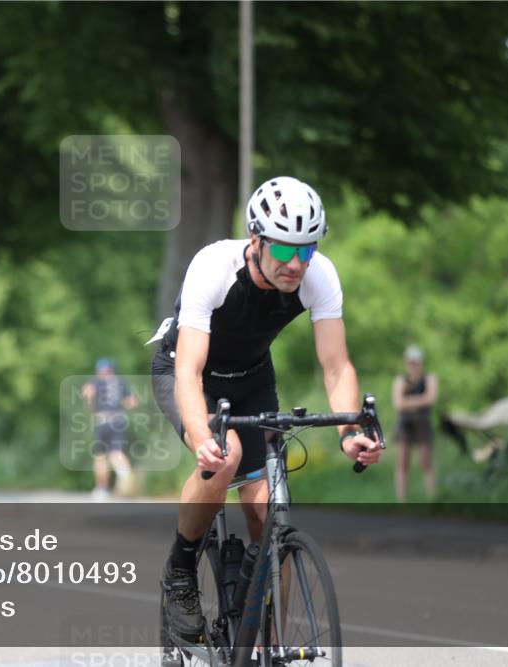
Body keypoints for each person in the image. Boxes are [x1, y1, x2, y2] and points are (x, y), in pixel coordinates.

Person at [148, 176, 383, 644]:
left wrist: (348, 430)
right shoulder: (213, 266)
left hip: (253, 378)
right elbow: (191, 372)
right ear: (255, 240)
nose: (296, 263)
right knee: (226, 456)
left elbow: (336, 368)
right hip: (186, 372)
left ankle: (268, 643)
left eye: (307, 250)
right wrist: (203, 439)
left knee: (269, 511)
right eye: (283, 251)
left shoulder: (319, 275)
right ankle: (180, 569)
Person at [81, 358, 139, 500]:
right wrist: (121, 406)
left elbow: (87, 394)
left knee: (100, 457)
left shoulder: (95, 381)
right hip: (118, 420)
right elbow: (132, 401)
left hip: (102, 421)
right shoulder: (120, 382)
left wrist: (89, 403)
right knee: (116, 453)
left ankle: (102, 488)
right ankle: (126, 477)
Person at [391, 345, 438, 502]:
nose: (413, 365)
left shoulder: (429, 378)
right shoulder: (401, 380)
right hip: (406, 422)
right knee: (403, 461)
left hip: (422, 422)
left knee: (426, 461)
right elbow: (398, 403)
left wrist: (408, 401)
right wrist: (419, 401)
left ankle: (432, 497)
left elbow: (430, 398)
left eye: (416, 362)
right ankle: (401, 500)